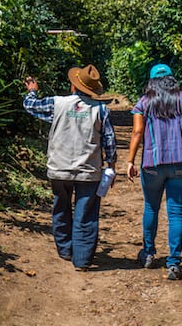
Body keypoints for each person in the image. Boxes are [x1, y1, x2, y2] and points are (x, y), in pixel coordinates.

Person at [23, 64, 117, 271]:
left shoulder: (58, 104)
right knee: (86, 214)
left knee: (61, 207)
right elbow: (109, 140)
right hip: (88, 171)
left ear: (73, 86)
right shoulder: (101, 110)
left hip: (59, 168)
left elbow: (31, 106)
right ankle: (82, 260)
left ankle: (65, 250)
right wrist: (111, 166)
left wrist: (32, 91)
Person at [127, 63, 182, 280]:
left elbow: (137, 131)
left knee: (151, 207)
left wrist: (130, 160)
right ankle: (173, 263)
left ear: (151, 81)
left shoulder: (144, 102)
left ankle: (149, 254)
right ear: (172, 79)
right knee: (176, 212)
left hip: (152, 164)